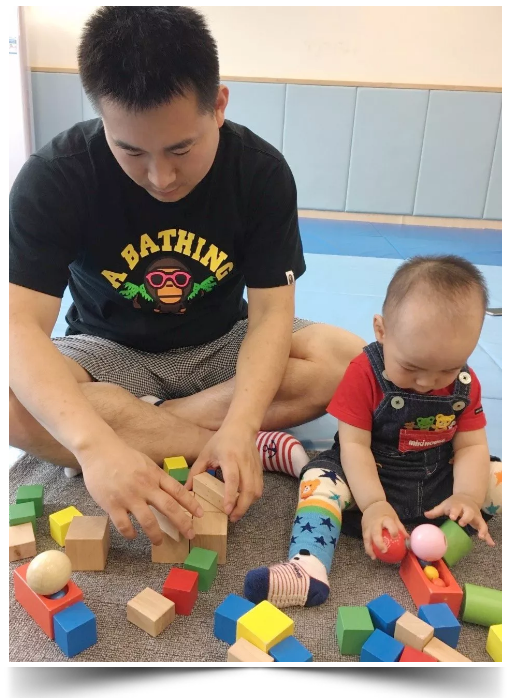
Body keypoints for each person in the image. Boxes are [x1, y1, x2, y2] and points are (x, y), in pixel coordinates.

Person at [9, 7, 365, 546]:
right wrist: (94, 446)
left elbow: (272, 315)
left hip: (222, 342)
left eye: (181, 148)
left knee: (351, 362)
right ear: (101, 115)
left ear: (218, 105)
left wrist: (241, 423)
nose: (161, 177)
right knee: (12, 403)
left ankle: (145, 425)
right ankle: (197, 440)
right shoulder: (55, 176)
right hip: (106, 350)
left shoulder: (260, 172)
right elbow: (17, 326)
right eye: (130, 150)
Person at [244, 255, 502, 609]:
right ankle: (308, 566)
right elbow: (354, 446)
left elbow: (471, 446)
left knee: (497, 476)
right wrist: (374, 504)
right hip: (366, 478)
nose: (427, 383)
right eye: (411, 367)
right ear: (381, 331)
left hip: (435, 484)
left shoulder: (465, 383)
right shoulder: (363, 372)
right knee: (319, 482)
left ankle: (448, 538)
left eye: (447, 369)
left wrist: (468, 497)